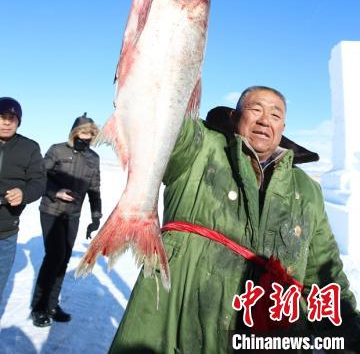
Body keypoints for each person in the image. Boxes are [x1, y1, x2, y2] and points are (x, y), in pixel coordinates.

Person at [109, 86, 360, 353]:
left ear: (283, 126)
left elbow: (324, 273)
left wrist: (352, 336)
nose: (265, 119)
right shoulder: (199, 149)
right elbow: (158, 112)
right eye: (255, 109)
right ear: (235, 116)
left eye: (275, 115)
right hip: (182, 327)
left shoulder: (307, 189)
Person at [31, 113, 102, 327]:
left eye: (90, 133)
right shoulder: (57, 150)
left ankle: (53, 304)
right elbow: (38, 177)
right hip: (51, 210)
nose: (86, 136)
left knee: (63, 258)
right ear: (74, 133)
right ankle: (39, 306)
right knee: (54, 255)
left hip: (73, 214)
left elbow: (94, 189)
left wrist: (96, 216)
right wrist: (56, 191)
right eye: (82, 132)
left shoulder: (93, 158)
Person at [0, 97, 46, 308]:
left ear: (18, 122)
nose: (6, 122)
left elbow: (38, 183)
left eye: (12, 118)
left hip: (6, 233)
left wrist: (23, 193)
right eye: (2, 117)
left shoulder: (29, 148)